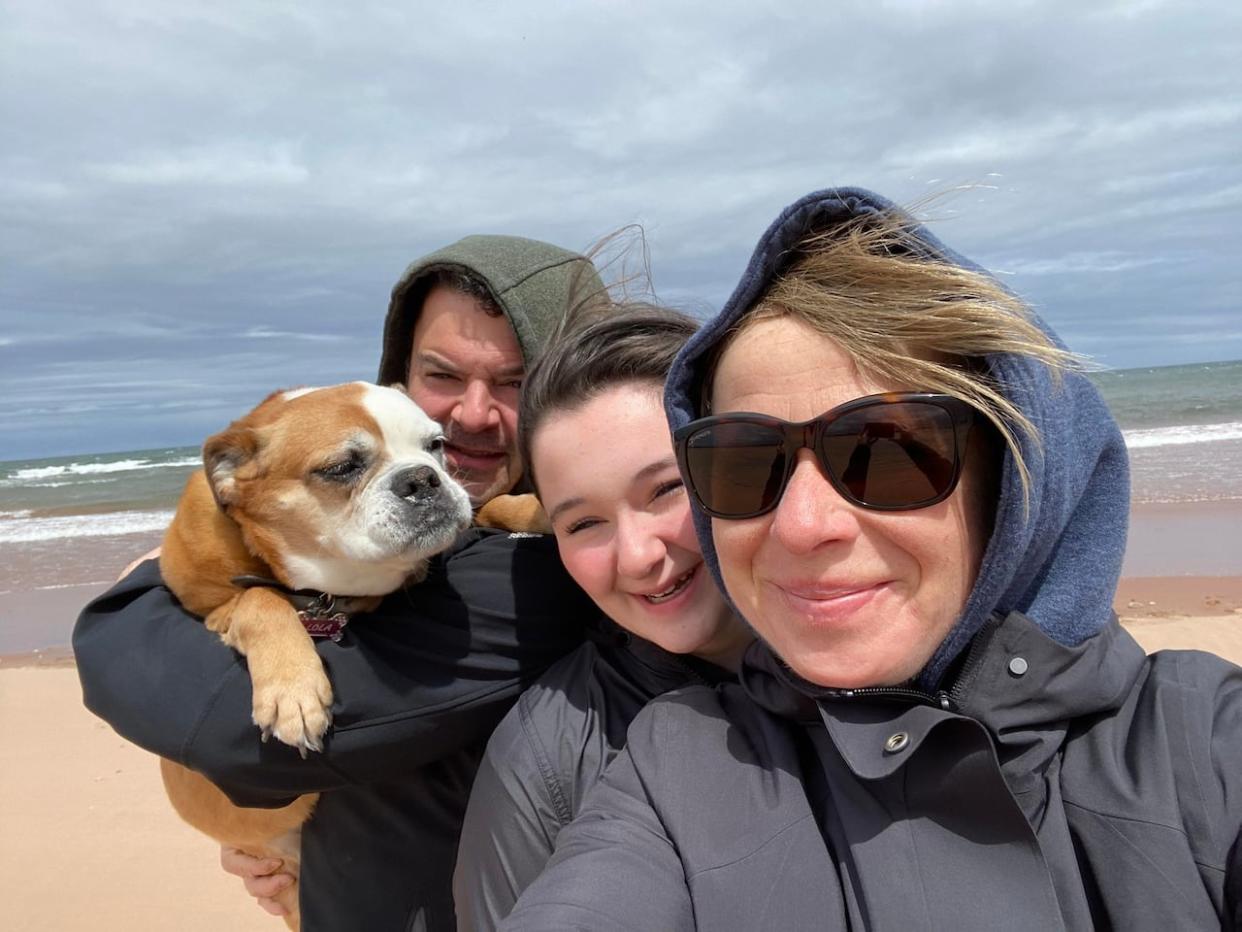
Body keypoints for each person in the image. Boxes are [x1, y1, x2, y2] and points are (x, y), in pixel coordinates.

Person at [502, 188, 1242, 929]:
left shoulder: (1199, 746)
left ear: (1017, 480)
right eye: (742, 463)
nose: (801, 525)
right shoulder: (674, 772)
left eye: (885, 451)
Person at [73, 235, 608, 931]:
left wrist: (137, 599)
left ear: (576, 382)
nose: (472, 415)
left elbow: (221, 726)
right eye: (441, 375)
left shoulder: (557, 572)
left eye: (515, 381)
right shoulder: (465, 516)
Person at [451, 306, 753, 929]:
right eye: (584, 523)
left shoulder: (902, 651)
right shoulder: (542, 762)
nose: (639, 556)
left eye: (666, 489)